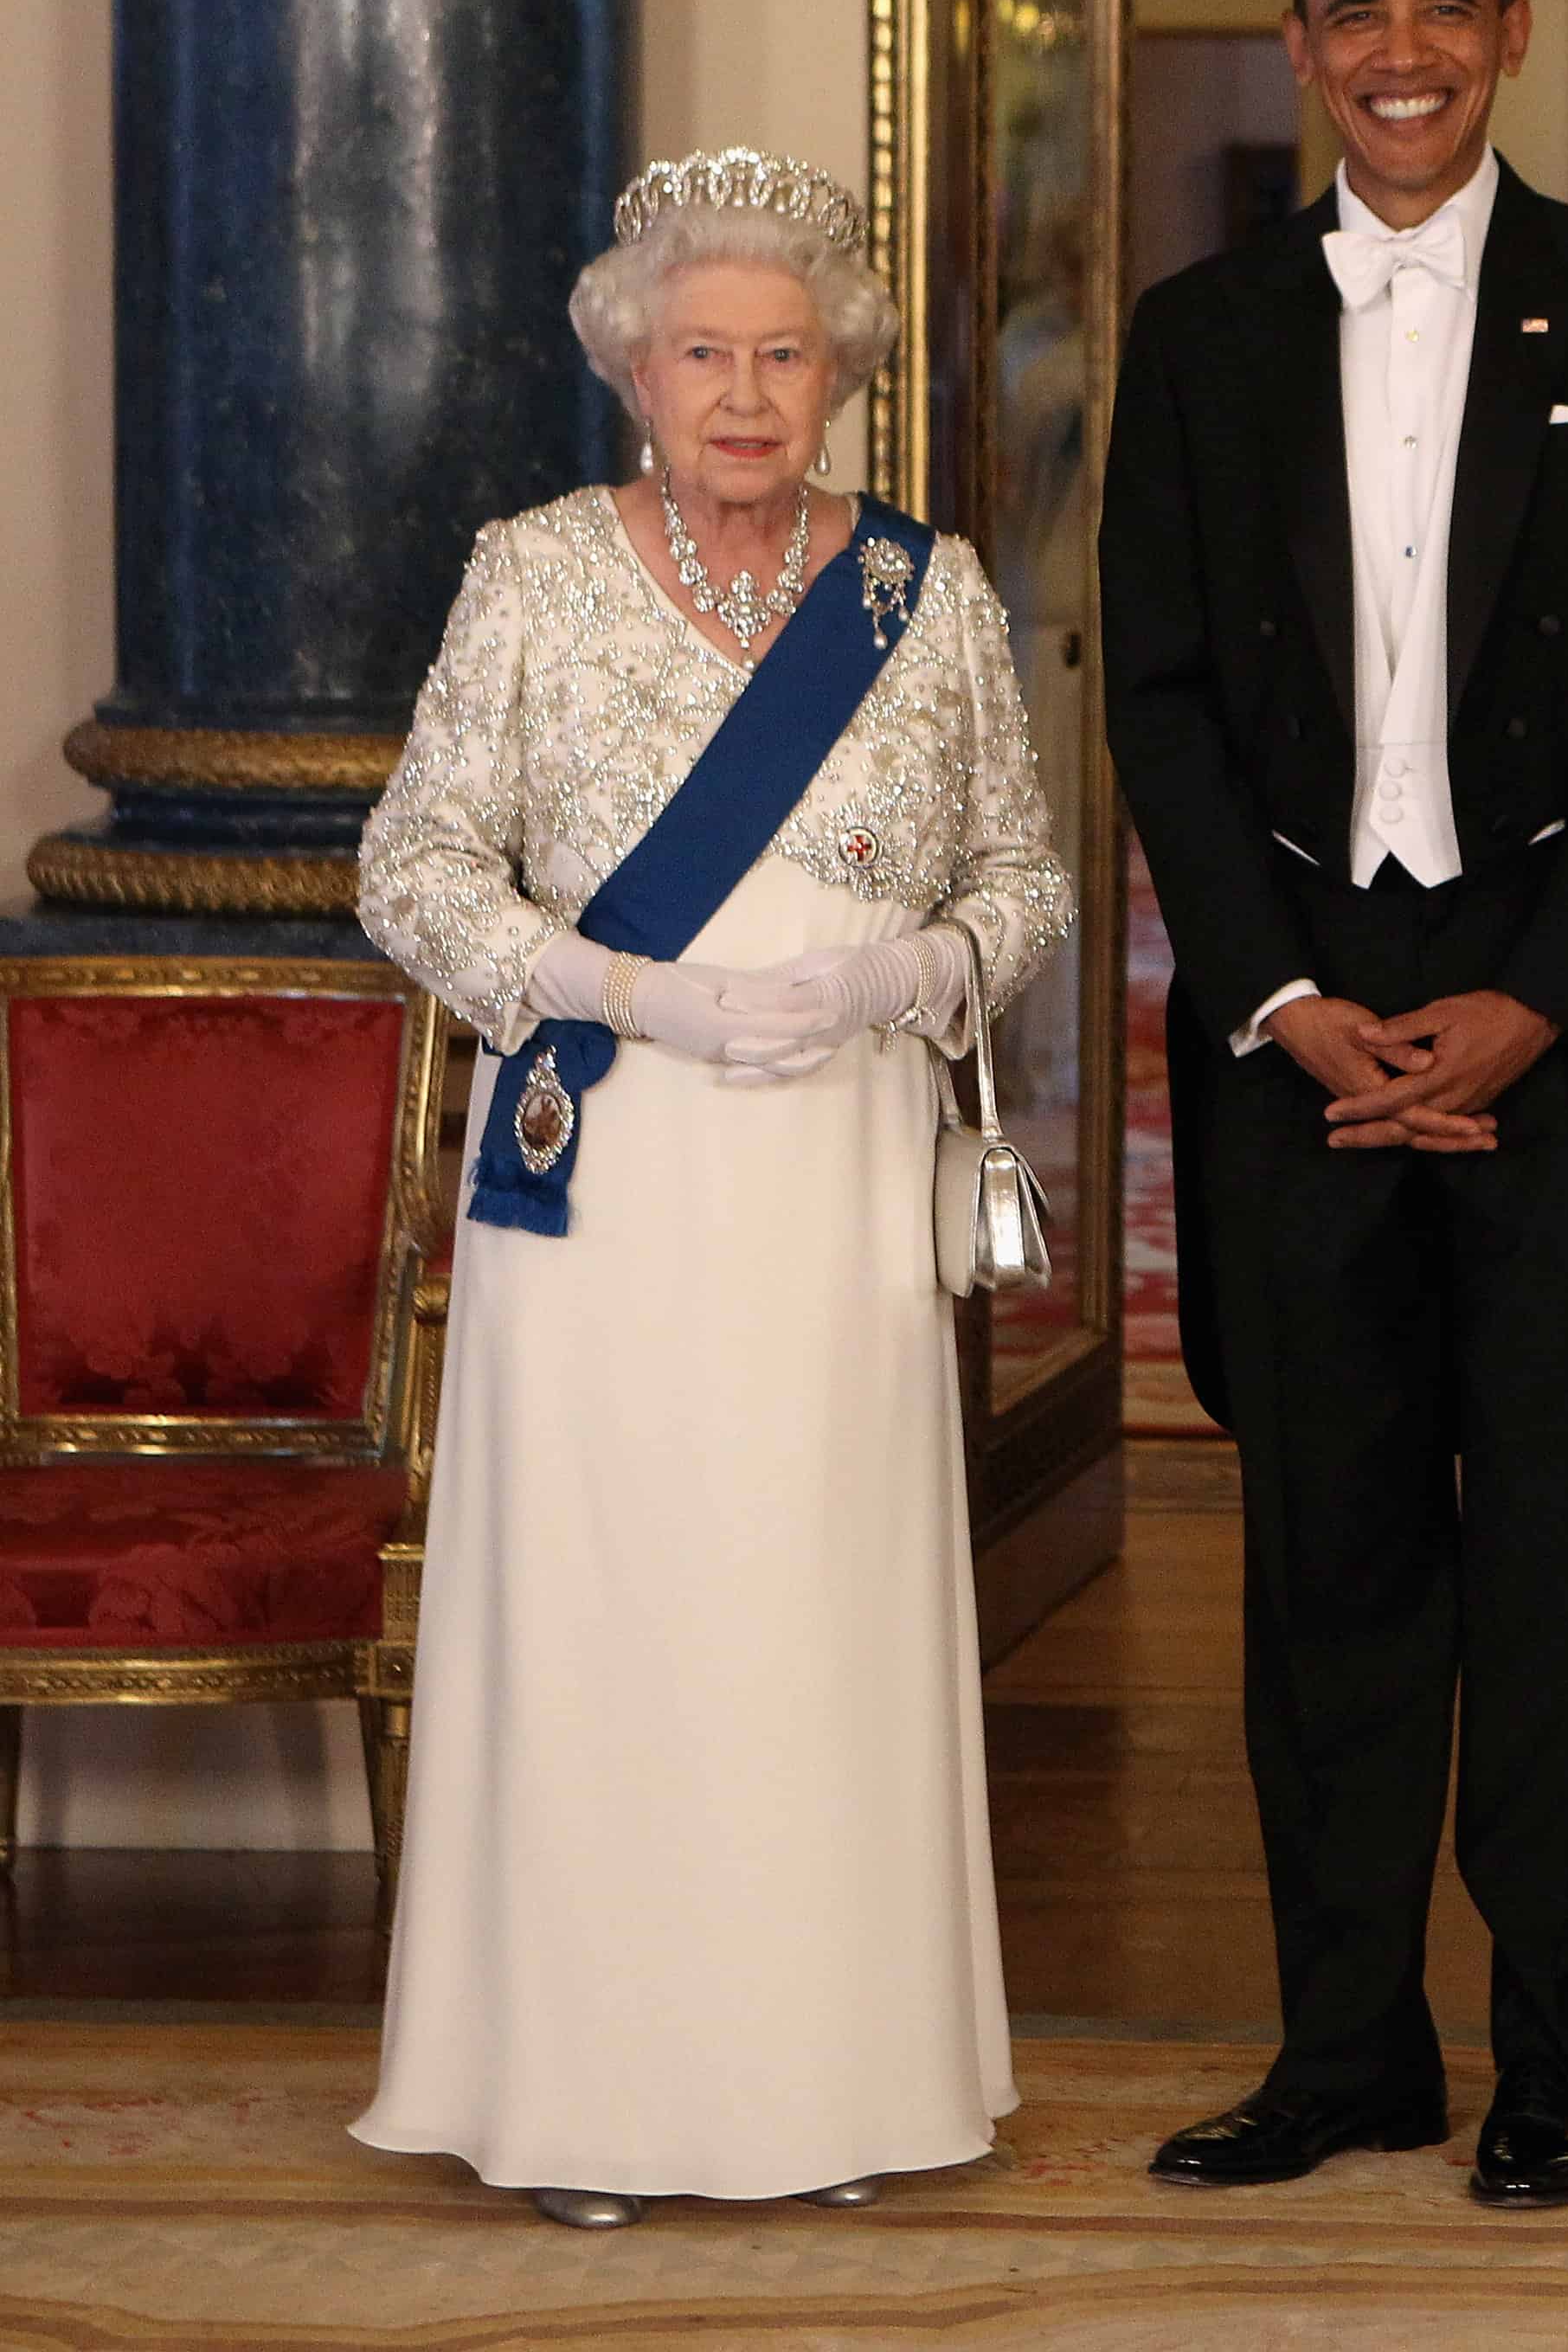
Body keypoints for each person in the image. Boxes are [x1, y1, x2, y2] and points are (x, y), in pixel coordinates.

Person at [1099, 0, 1568, 2213]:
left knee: (1565, 1576)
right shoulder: (1197, 334)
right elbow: (1159, 693)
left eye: (1444, 8)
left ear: (1511, 33)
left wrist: (1534, 999)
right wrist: (1282, 1002)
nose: (1403, 51)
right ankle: (1345, 2050)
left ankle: (1553, 2070)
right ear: (1299, 47)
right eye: (1358, 14)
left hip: (1552, 1017)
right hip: (1298, 1021)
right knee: (1329, 1571)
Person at [351, 149, 1071, 2226]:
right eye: (702, 355)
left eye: (783, 354)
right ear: (632, 371)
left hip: (835, 1170)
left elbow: (1023, 877)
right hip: (611, 1170)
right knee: (615, 1616)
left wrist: (906, 973)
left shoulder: (924, 594)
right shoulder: (533, 572)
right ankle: (590, 2102)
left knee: (812, 1615)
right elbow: (409, 866)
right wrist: (609, 985)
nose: (745, 393)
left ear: (838, 374)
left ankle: (834, 2087)